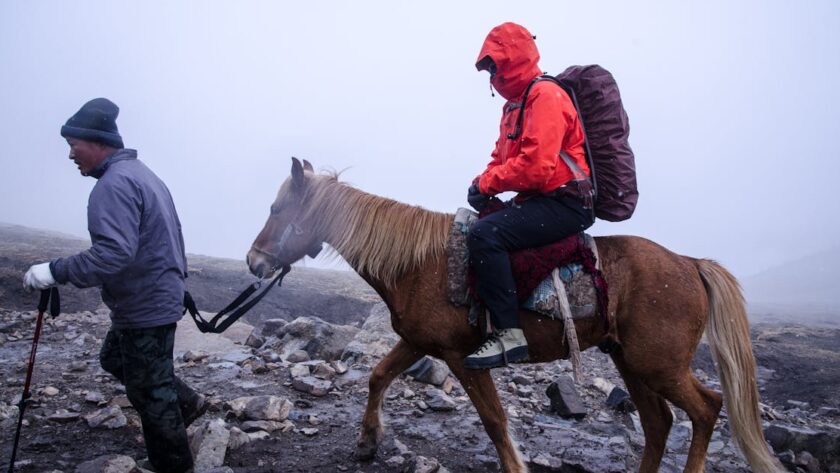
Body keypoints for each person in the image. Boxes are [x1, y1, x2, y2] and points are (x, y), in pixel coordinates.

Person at [22, 98, 205, 472]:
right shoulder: (142, 174)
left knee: (149, 393)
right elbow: (167, 236)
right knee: (117, 360)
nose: (71, 155)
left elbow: (112, 255)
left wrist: (55, 271)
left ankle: (173, 465)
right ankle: (186, 404)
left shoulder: (113, 185)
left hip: (145, 304)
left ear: (98, 142)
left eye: (75, 146)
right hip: (156, 296)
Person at [464, 23, 595, 370]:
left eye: (495, 65)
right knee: (480, 222)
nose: (491, 74)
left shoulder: (545, 96)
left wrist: (490, 183)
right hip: (542, 201)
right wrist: (481, 182)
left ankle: (510, 333)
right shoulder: (514, 107)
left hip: (566, 203)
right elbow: (501, 158)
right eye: (488, 67)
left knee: (484, 234)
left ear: (514, 58)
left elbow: (536, 167)